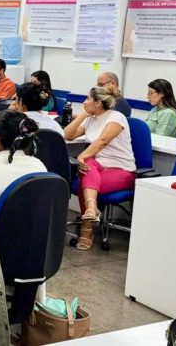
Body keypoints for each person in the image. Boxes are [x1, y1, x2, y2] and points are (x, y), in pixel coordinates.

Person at [64, 86, 136, 251]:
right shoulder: (90, 118)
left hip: (122, 170)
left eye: (88, 99)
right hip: (98, 168)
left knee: (85, 173)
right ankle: (91, 210)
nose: (84, 102)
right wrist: (83, 115)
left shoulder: (116, 117)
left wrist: (82, 156)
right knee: (88, 165)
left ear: (97, 102)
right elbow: (67, 135)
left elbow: (102, 141)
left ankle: (87, 228)